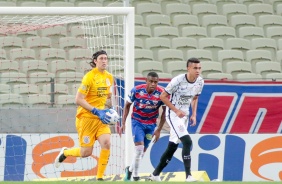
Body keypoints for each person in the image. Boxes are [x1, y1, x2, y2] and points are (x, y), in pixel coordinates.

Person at [54, 50, 114, 181]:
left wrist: (111, 109)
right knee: (86, 153)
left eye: (106, 58)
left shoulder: (109, 77)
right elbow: (78, 99)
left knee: (107, 143)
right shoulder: (89, 77)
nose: (104, 61)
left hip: (101, 119)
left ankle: (99, 177)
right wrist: (96, 110)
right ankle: (65, 152)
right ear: (95, 61)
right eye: (101, 58)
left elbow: (107, 97)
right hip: (86, 118)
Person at [148, 58, 204, 182]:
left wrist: (193, 114)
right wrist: (176, 110)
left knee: (172, 146)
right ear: (188, 68)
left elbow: (195, 98)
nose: (198, 70)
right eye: (195, 68)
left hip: (184, 115)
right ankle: (188, 176)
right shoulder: (177, 80)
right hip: (173, 115)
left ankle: (155, 174)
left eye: (199, 68)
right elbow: (163, 96)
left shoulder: (200, 81)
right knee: (187, 141)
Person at [119, 71, 166, 181]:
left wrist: (158, 129)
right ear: (146, 81)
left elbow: (164, 112)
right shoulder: (136, 90)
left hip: (151, 124)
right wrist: (123, 123)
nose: (153, 84)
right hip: (137, 121)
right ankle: (135, 176)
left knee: (142, 152)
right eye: (151, 81)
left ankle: (129, 170)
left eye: (155, 82)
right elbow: (127, 106)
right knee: (139, 148)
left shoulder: (161, 93)